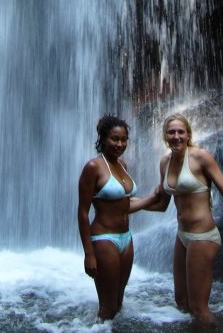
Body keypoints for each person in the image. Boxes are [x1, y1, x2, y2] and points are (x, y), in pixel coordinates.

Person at [146, 113, 223, 325]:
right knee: (181, 301)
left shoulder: (201, 157)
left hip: (203, 236)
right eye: (171, 132)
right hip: (182, 235)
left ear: (188, 134)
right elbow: (162, 203)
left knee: (199, 309)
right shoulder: (165, 162)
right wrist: (126, 206)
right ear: (165, 136)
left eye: (180, 132)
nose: (176, 136)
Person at [77, 114, 157, 321]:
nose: (119, 144)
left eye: (123, 139)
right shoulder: (93, 167)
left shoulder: (123, 166)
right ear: (103, 139)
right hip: (104, 240)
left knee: (118, 304)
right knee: (107, 308)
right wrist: (89, 254)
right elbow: (83, 212)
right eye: (114, 139)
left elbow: (124, 204)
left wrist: (154, 198)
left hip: (126, 239)